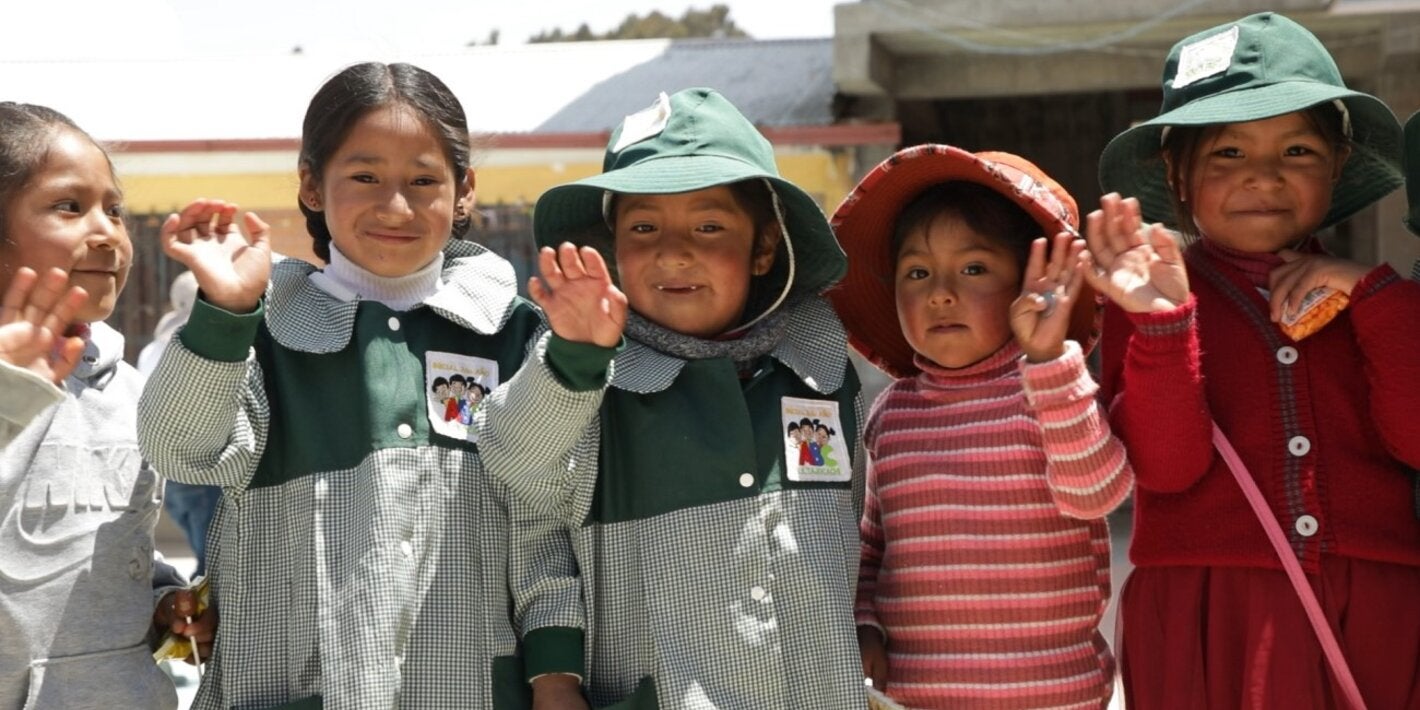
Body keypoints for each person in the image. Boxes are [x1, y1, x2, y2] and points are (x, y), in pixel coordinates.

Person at [136, 62, 622, 709]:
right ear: (311, 184)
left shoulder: (513, 334)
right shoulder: (265, 331)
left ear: (465, 190)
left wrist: (554, 674)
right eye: (364, 177)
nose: (396, 205)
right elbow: (178, 449)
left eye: (424, 180)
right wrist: (224, 314)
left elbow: (541, 522)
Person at [479, 88, 867, 709]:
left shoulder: (818, 374)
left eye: (709, 225)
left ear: (763, 246)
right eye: (643, 226)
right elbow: (518, 477)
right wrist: (555, 675)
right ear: (612, 249)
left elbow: (858, 522)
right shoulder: (582, 375)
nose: (673, 250)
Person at [1092, 13, 1420, 707]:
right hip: (1210, 611)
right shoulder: (1146, 301)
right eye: (1228, 154)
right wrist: (1162, 326)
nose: (1265, 176)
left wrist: (1375, 296)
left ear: (1337, 169)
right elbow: (1166, 467)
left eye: (1298, 152)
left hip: (1377, 604)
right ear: (1177, 177)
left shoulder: (1381, 297)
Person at [830, 144, 1134, 709]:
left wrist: (1047, 361)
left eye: (973, 268)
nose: (940, 292)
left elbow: (1098, 492)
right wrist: (865, 621)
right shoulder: (893, 415)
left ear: (1030, 284)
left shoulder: (1050, 391)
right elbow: (872, 547)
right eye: (917, 272)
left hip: (1054, 696)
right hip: (917, 696)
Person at [0, 102, 212, 710]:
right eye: (70, 206)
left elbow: (123, 549)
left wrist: (161, 602)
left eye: (114, 210)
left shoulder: (129, 392)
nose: (107, 233)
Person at [138, 270, 222, 578]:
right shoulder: (200, 344)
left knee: (204, 551)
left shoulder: (152, 349)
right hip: (203, 469)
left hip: (165, 471)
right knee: (213, 563)